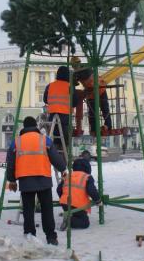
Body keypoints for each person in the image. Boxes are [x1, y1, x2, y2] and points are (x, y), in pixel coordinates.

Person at [6, 116, 66, 245]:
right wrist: (63, 168)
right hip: (43, 179)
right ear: (36, 126)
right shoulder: (45, 140)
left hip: (25, 181)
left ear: (24, 128)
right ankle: (51, 237)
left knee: (28, 210)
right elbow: (56, 158)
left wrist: (11, 180)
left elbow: (10, 163)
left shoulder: (16, 142)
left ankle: (30, 235)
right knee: (47, 210)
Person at [70, 57, 113, 136]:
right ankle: (105, 126)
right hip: (98, 90)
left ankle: (99, 127)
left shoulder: (81, 71)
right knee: (101, 110)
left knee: (97, 111)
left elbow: (75, 82)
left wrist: (73, 77)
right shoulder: (86, 68)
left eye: (75, 65)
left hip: (96, 91)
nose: (75, 66)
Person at [57, 156, 101, 229]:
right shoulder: (87, 177)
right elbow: (91, 190)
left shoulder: (68, 176)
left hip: (65, 204)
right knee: (85, 222)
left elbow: (58, 189)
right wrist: (98, 200)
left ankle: (70, 216)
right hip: (78, 205)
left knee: (76, 213)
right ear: (88, 168)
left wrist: (63, 198)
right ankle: (69, 221)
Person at [43, 66, 79, 150]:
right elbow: (75, 102)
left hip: (52, 116)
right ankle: (65, 158)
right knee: (65, 140)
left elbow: (45, 99)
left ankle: (55, 153)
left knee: (55, 138)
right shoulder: (70, 86)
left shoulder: (50, 86)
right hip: (65, 116)